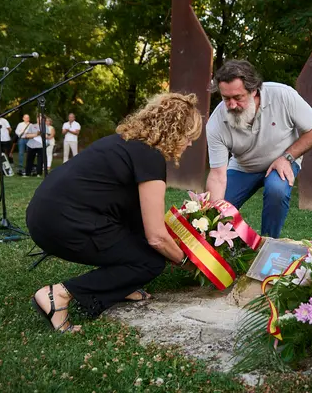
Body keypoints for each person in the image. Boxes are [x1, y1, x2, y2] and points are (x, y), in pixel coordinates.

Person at [28, 93, 202, 332]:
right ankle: (58, 294)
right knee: (150, 261)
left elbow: (137, 219)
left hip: (45, 214)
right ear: (174, 131)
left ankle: (122, 286)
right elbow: (156, 237)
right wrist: (186, 261)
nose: (190, 144)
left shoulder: (125, 142)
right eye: (188, 136)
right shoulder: (150, 157)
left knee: (141, 246)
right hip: (62, 222)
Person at [205, 60, 312, 238]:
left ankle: (269, 244)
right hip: (243, 167)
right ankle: (215, 247)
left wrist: (287, 157)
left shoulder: (283, 95)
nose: (231, 105)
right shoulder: (216, 122)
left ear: (254, 90)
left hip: (283, 159)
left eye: (238, 98)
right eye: (226, 98)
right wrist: (213, 214)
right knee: (218, 207)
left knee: (277, 189)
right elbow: (217, 176)